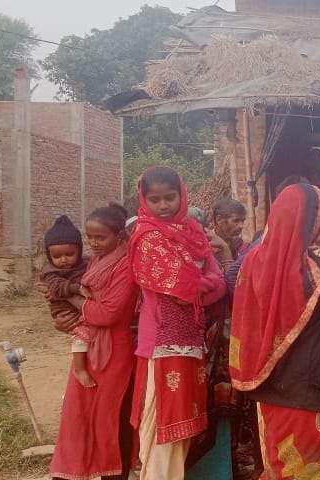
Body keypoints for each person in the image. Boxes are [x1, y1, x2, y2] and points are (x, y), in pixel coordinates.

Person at [229, 184, 320, 479]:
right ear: (310, 222)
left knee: (283, 470)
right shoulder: (313, 269)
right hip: (318, 394)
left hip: (271, 389)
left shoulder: (254, 262)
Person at [128, 166, 228, 479]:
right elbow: (188, 288)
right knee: (162, 424)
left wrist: (198, 286)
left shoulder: (193, 232)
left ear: (181, 195)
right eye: (154, 199)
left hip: (191, 341)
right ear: (144, 200)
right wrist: (201, 285)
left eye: (169, 197)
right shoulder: (147, 237)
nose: (163, 205)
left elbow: (217, 284)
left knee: (184, 424)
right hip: (161, 343)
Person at [48, 204, 138, 480]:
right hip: (90, 346)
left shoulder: (125, 265)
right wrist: (75, 306)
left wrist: (73, 298)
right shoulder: (97, 261)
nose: (93, 243)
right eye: (90, 237)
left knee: (110, 417)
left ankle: (115, 474)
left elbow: (108, 315)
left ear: (119, 236)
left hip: (115, 351)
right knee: (78, 416)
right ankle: (77, 470)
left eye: (100, 237)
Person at [39, 215, 96, 388]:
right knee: (82, 335)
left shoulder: (87, 264)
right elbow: (56, 287)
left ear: (79, 250)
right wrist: (76, 289)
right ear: (49, 255)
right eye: (57, 256)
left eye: (69, 254)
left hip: (84, 309)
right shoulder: (50, 272)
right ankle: (79, 368)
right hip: (66, 311)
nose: (63, 260)